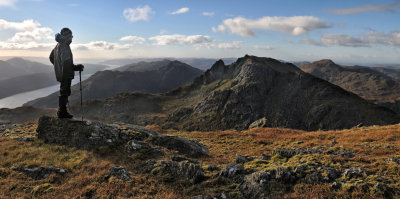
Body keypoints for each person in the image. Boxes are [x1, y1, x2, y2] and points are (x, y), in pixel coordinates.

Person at [49, 27, 84, 119]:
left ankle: (62, 111)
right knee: (65, 92)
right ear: (67, 36)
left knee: (63, 91)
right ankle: (62, 112)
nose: (72, 38)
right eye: (71, 36)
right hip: (66, 74)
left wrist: (58, 67)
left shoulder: (57, 45)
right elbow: (67, 62)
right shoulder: (64, 46)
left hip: (62, 73)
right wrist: (77, 67)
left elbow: (51, 57)